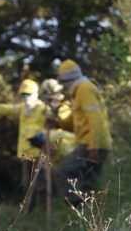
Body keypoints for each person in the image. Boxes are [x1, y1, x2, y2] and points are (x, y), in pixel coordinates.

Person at [48, 60, 112, 206]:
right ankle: (92, 214)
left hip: (92, 144)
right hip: (94, 144)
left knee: (63, 172)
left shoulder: (84, 89)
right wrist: (58, 124)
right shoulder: (79, 91)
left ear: (66, 80)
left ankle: (79, 207)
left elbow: (95, 119)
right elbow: (76, 121)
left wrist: (93, 147)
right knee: (89, 184)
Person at [0, 79, 49, 193]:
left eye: (28, 94)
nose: (25, 98)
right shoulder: (22, 108)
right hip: (25, 153)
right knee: (27, 184)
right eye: (23, 95)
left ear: (36, 94)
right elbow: (2, 109)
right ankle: (29, 210)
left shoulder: (43, 109)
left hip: (40, 152)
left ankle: (42, 209)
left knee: (41, 186)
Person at [28, 79, 77, 165]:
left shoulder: (66, 107)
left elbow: (68, 125)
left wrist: (56, 123)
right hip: (54, 154)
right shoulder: (43, 110)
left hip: (70, 148)